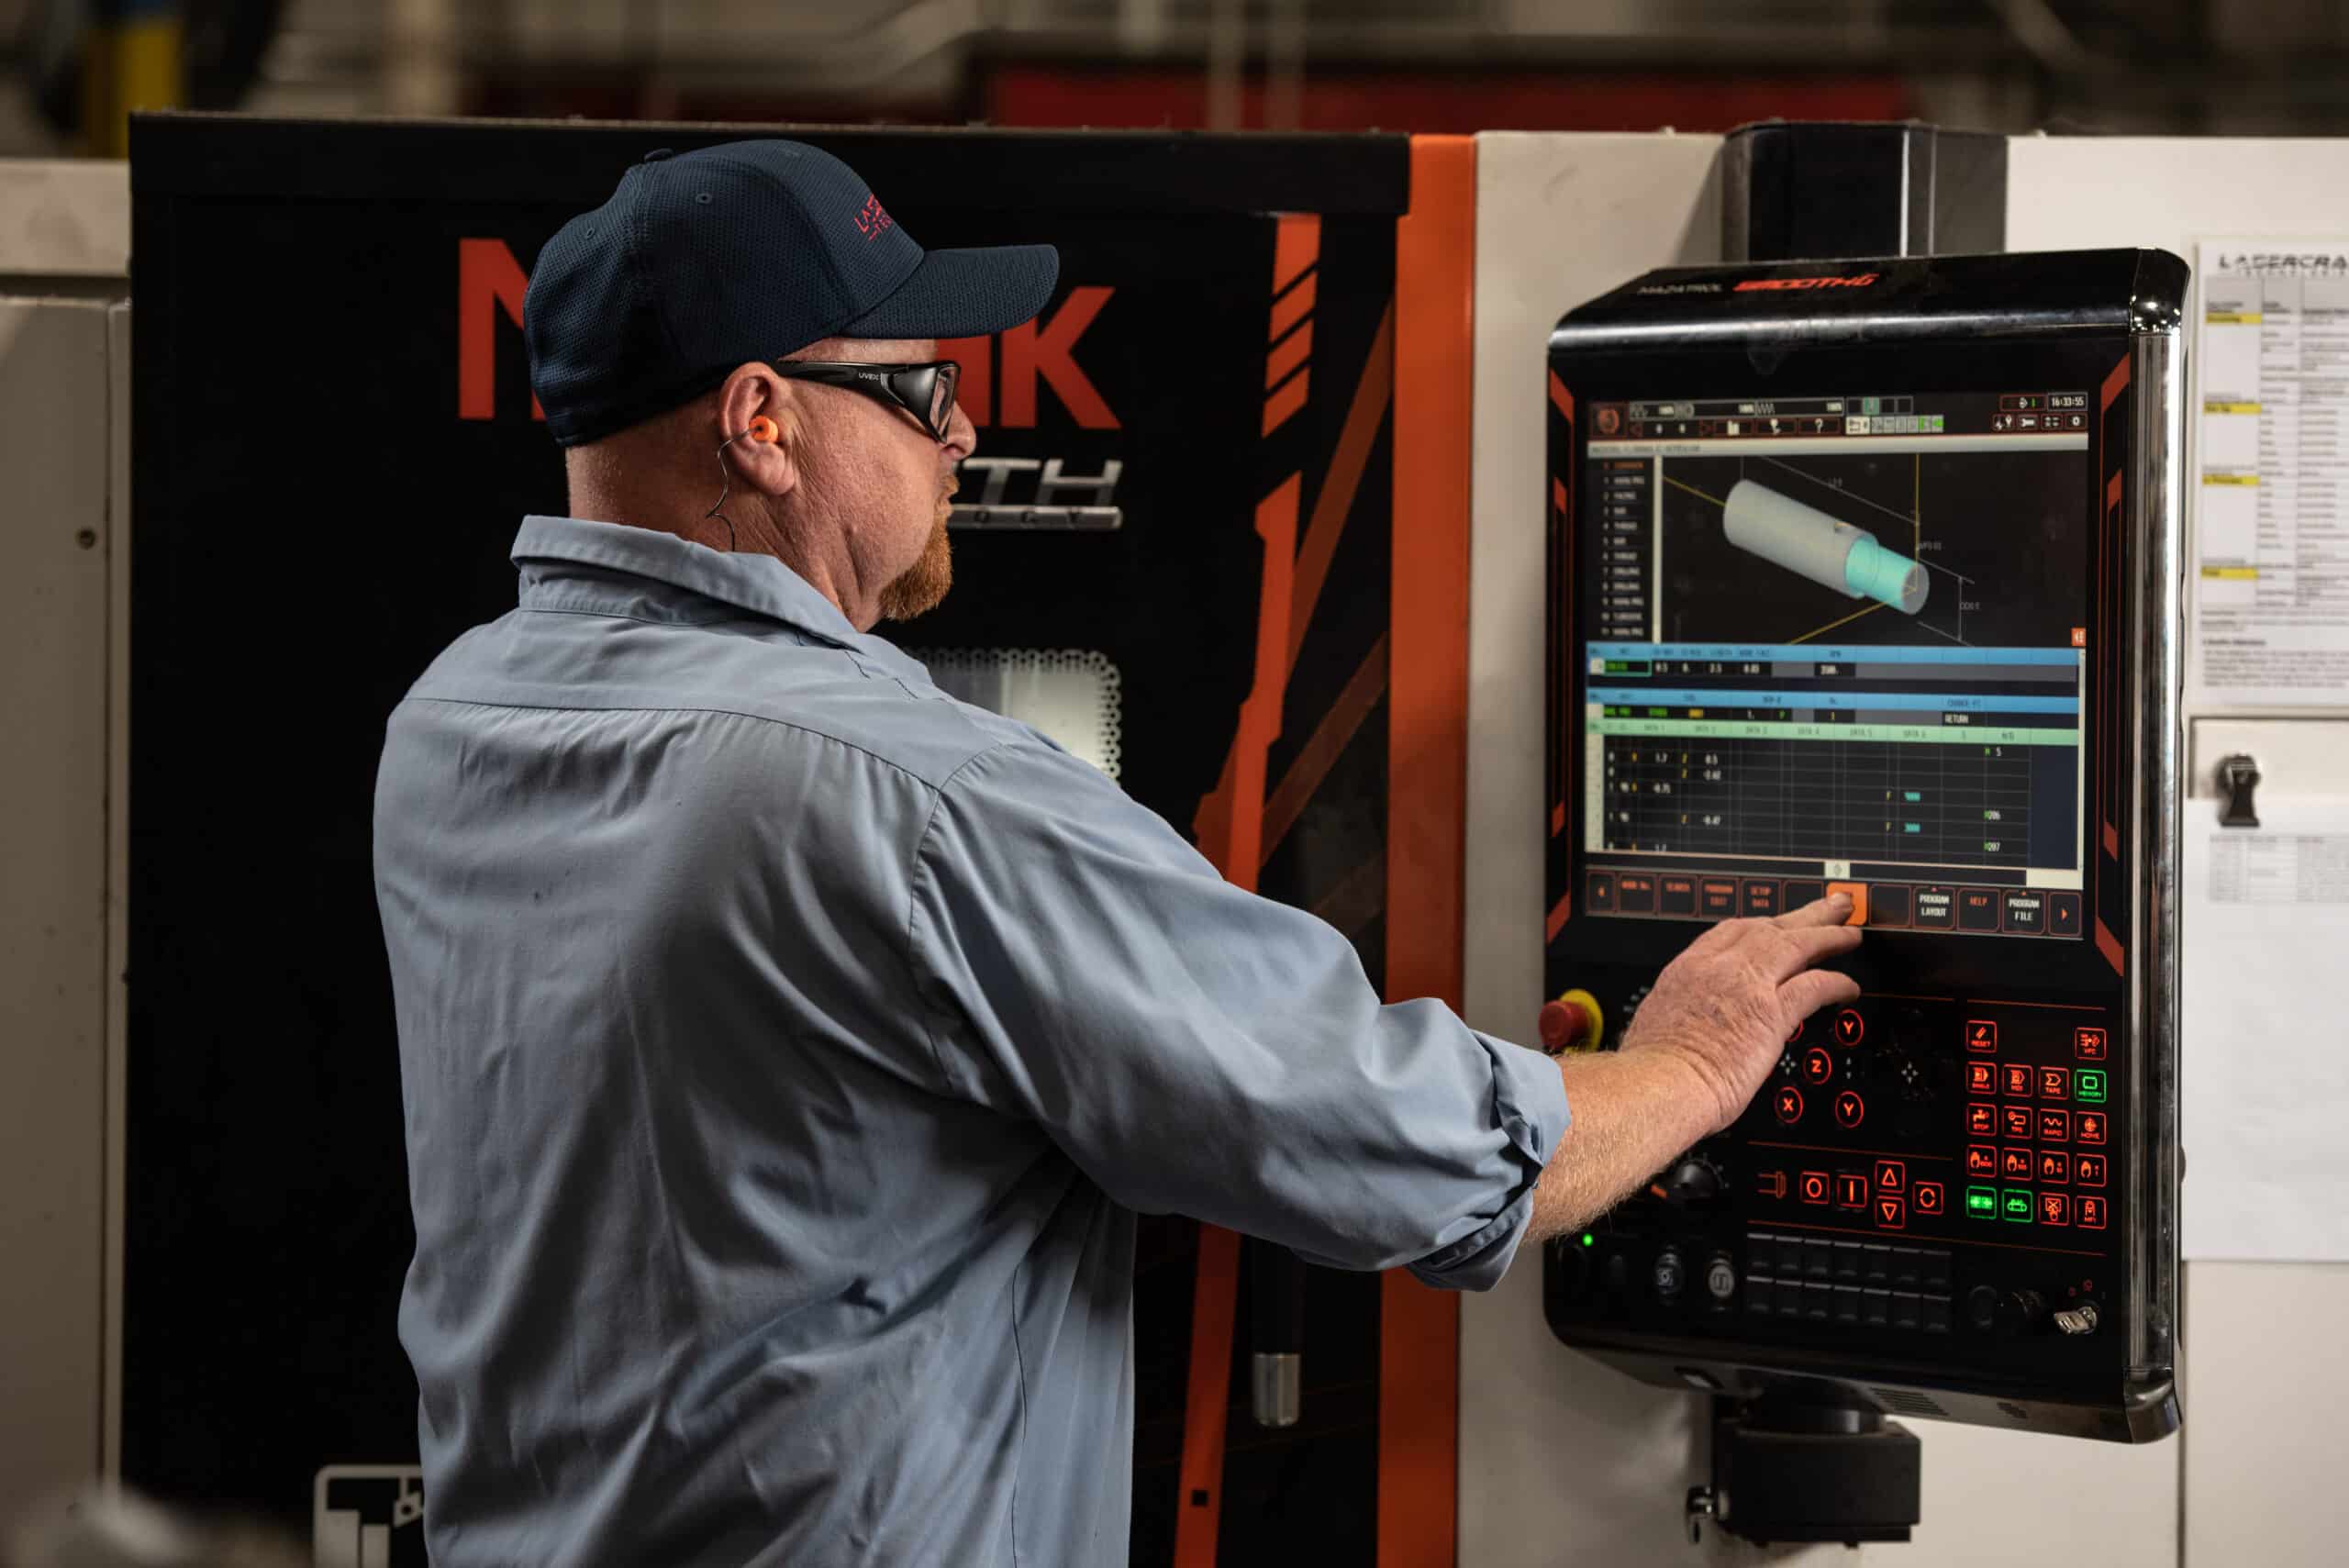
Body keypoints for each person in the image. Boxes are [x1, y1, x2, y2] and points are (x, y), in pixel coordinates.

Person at [372, 139, 1862, 1568]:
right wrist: (1687, 1063)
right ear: (763, 421)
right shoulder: (907, 793)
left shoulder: (452, 730)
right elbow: (1399, 1143)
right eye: (924, 388)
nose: (963, 433)